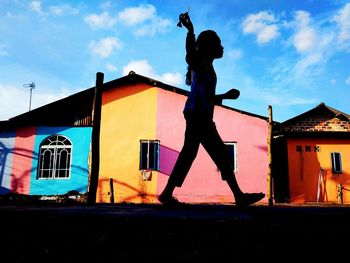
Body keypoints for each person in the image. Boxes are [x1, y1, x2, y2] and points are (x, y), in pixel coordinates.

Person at [158, 13, 265, 207]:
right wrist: (190, 31)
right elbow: (190, 54)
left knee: (195, 153)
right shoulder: (200, 63)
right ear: (210, 47)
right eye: (219, 43)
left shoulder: (207, 67)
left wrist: (225, 96)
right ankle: (239, 196)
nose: (222, 47)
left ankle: (167, 193)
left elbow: (207, 97)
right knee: (215, 154)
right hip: (198, 115)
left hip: (200, 115)